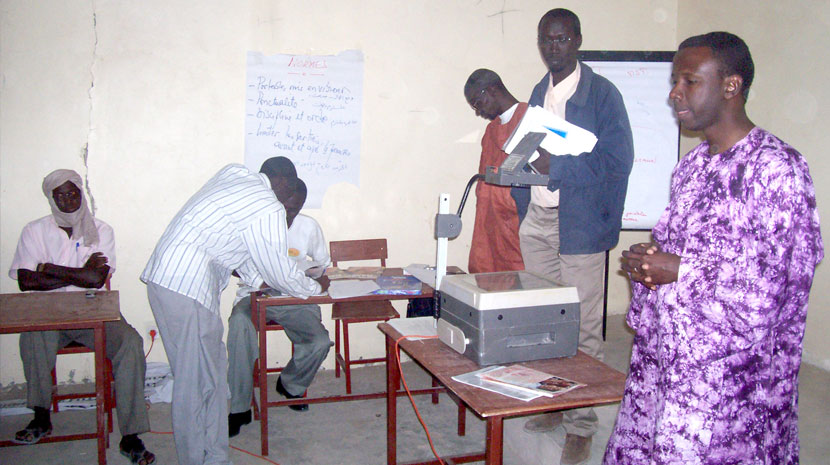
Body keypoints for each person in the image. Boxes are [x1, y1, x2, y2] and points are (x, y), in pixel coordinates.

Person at [604, 32, 823, 465]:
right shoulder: (691, 167)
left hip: (732, 386)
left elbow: (775, 290)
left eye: (689, 81)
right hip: (667, 365)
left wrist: (680, 270)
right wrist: (648, 265)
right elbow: (676, 253)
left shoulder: (778, 169)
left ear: (731, 85)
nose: (674, 93)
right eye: (674, 80)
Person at [141, 157, 330, 465]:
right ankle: (197, 458)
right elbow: (279, 269)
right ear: (282, 183)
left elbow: (237, 247)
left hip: (171, 281)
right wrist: (316, 288)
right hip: (185, 286)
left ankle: (214, 456)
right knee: (196, 383)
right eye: (290, 190)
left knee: (212, 377)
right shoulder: (267, 205)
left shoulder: (234, 175)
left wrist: (260, 279)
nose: (287, 206)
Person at [515, 8, 634, 464]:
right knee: (546, 322)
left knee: (583, 328)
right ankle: (555, 402)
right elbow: (531, 149)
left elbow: (618, 162)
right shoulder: (537, 92)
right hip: (540, 222)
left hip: (581, 222)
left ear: (578, 40)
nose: (553, 48)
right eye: (546, 40)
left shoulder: (603, 94)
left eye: (561, 39)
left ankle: (582, 424)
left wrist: (557, 166)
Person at [8, 169, 155, 465]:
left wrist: (48, 268)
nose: (68, 200)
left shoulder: (101, 230)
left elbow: (96, 280)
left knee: (130, 342)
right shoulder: (34, 230)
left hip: (93, 308)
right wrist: (77, 274)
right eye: (60, 195)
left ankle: (131, 435)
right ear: (51, 198)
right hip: (48, 311)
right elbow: (26, 282)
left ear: (81, 193)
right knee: (33, 337)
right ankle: (40, 416)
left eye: (73, 192)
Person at [226, 179, 332, 437]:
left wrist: (315, 277)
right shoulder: (253, 224)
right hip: (256, 295)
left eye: (294, 210)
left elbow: (323, 263)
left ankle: (290, 385)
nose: (288, 215)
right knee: (240, 327)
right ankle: (239, 407)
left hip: (295, 297)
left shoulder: (309, 226)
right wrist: (261, 278)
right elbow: (231, 263)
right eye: (284, 208)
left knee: (319, 341)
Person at [463, 69, 525, 273]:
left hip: (518, 232)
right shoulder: (490, 132)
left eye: (477, 104)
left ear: (491, 90)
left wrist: (504, 203)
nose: (478, 112)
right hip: (489, 231)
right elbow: (484, 189)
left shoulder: (529, 120)